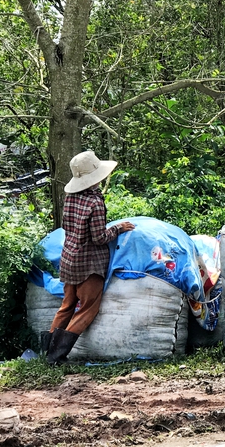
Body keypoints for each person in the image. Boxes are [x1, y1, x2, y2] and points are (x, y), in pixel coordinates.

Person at [42, 151, 135, 365]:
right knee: (87, 308)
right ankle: (57, 356)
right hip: (89, 264)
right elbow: (99, 237)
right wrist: (118, 228)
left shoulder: (70, 197)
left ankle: (46, 351)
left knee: (67, 305)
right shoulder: (95, 202)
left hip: (69, 259)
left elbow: (68, 227)